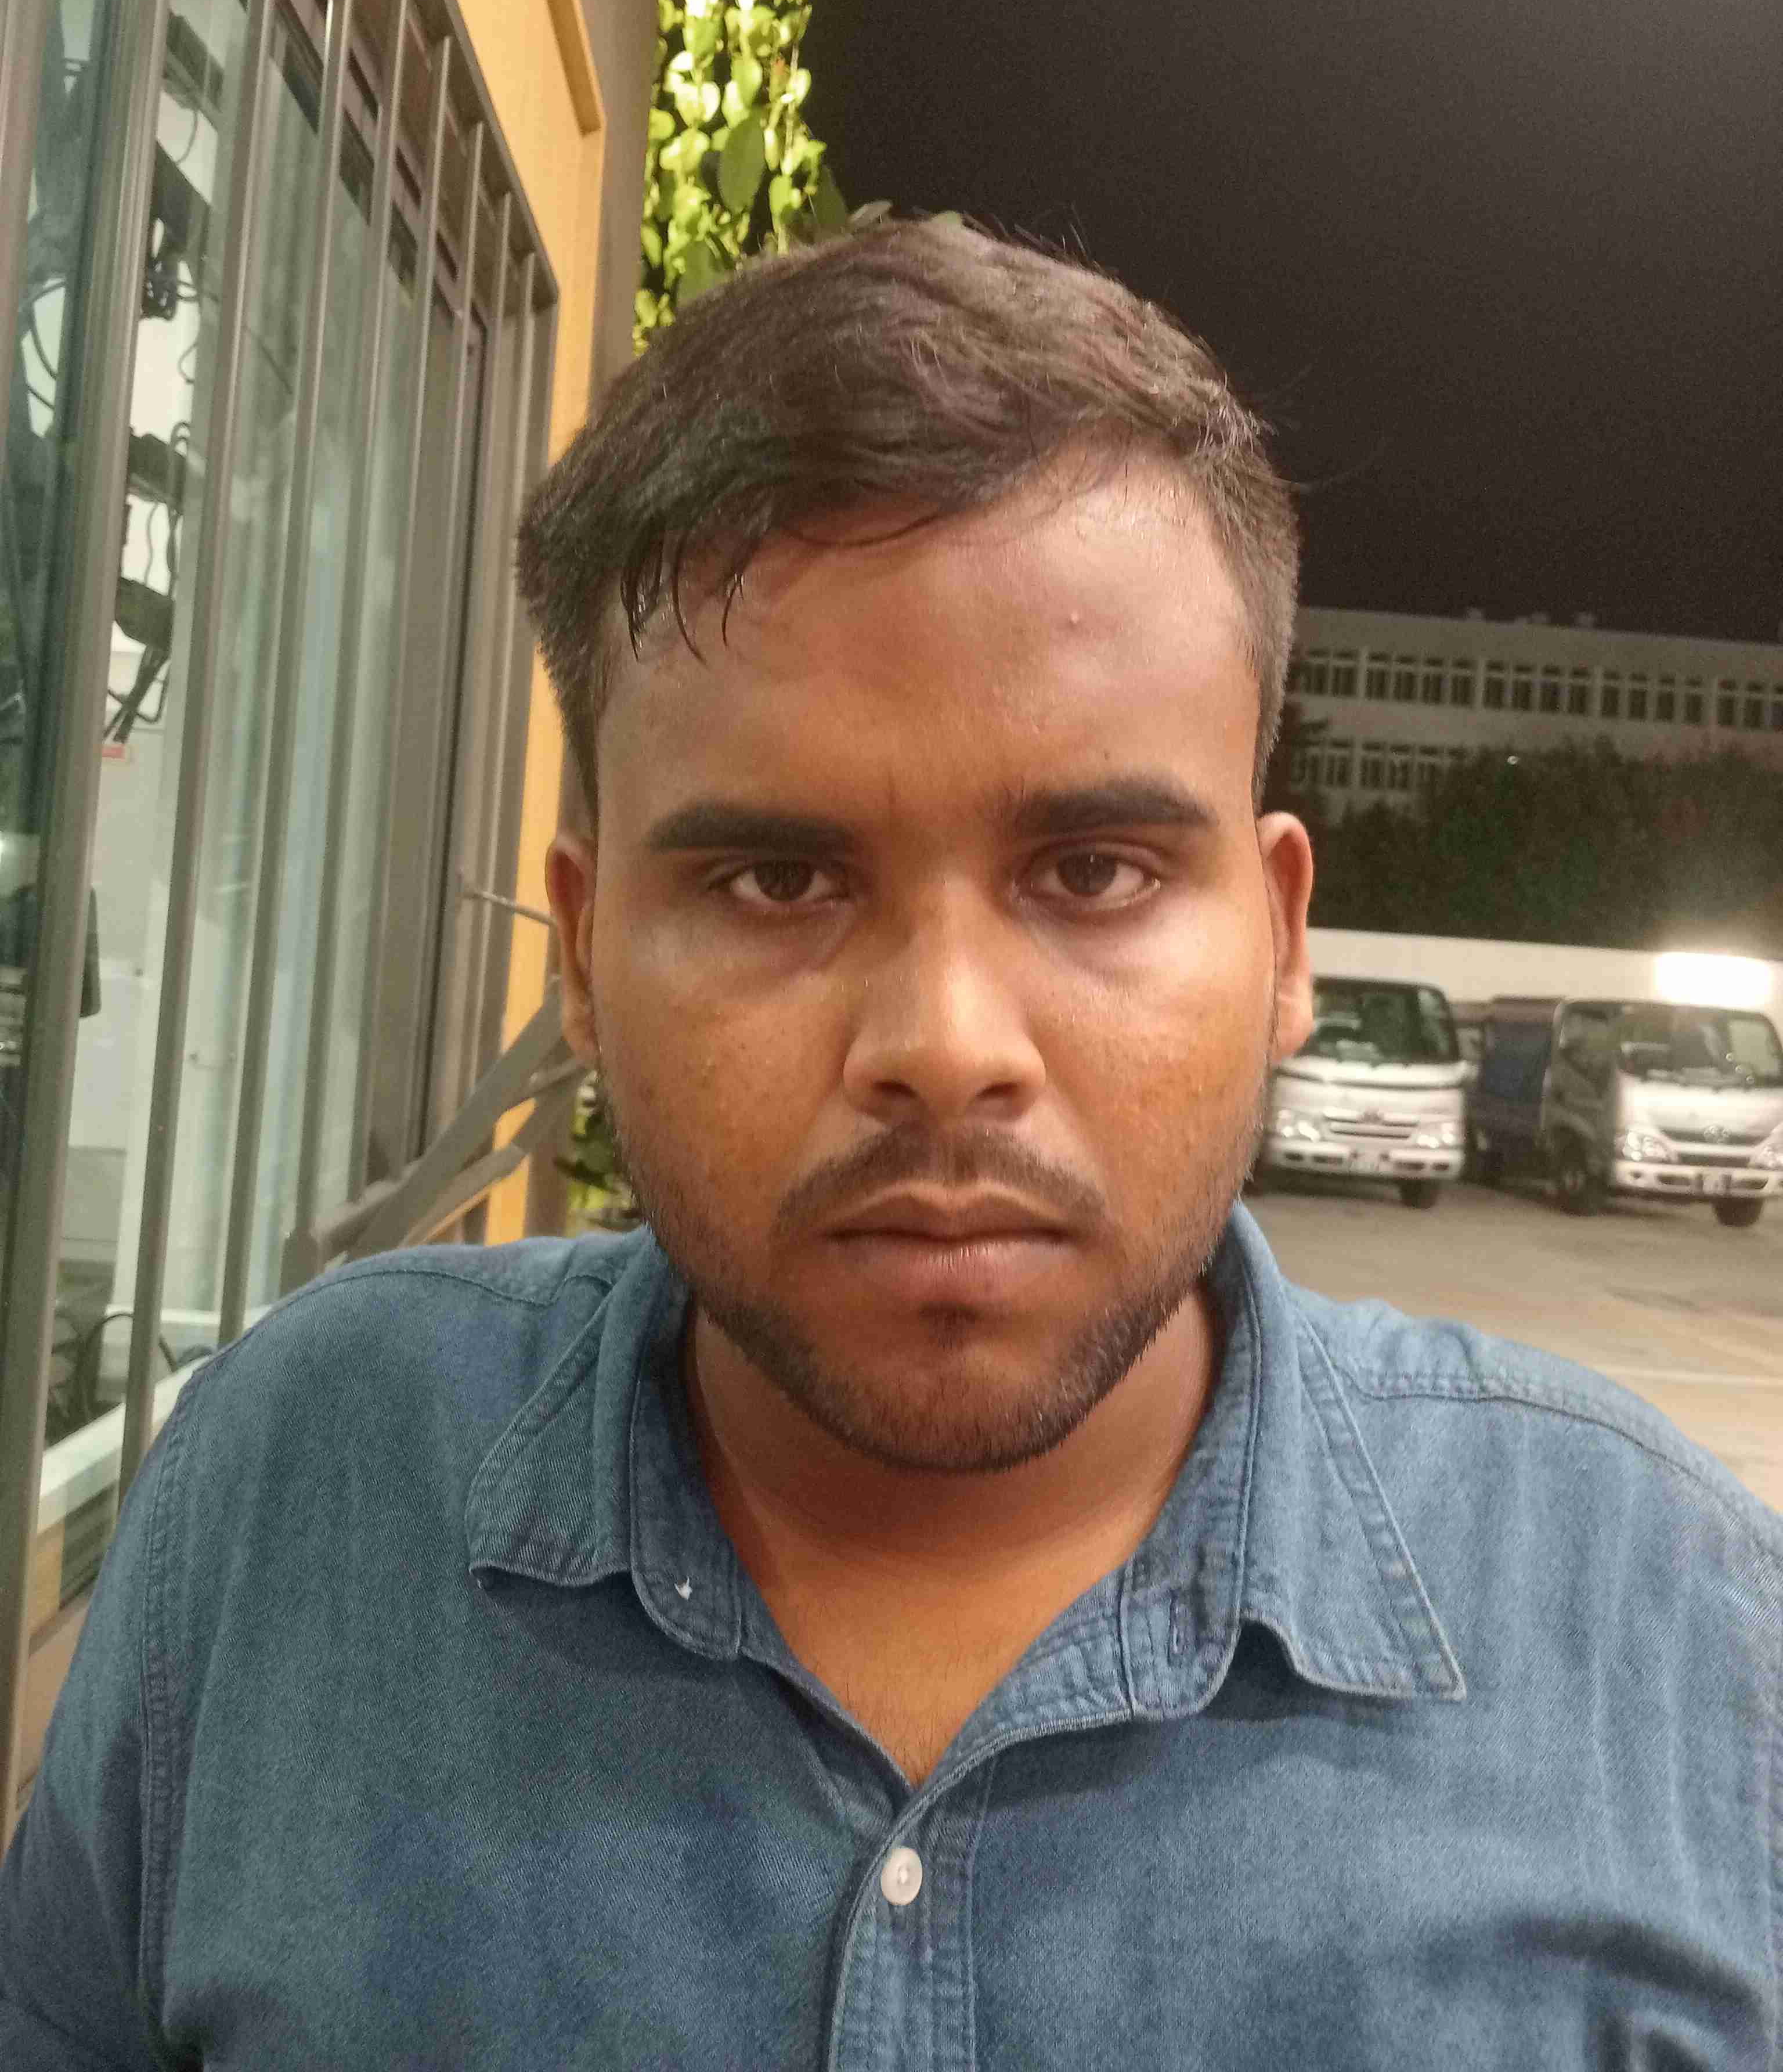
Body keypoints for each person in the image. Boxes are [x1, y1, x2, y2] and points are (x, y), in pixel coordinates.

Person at [2, 221, 1776, 2067]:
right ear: (586, 955)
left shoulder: (1681, 1637)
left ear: (1281, 942)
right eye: (779, 879)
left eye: (1094, 872)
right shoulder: (293, 1500)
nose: (945, 1049)